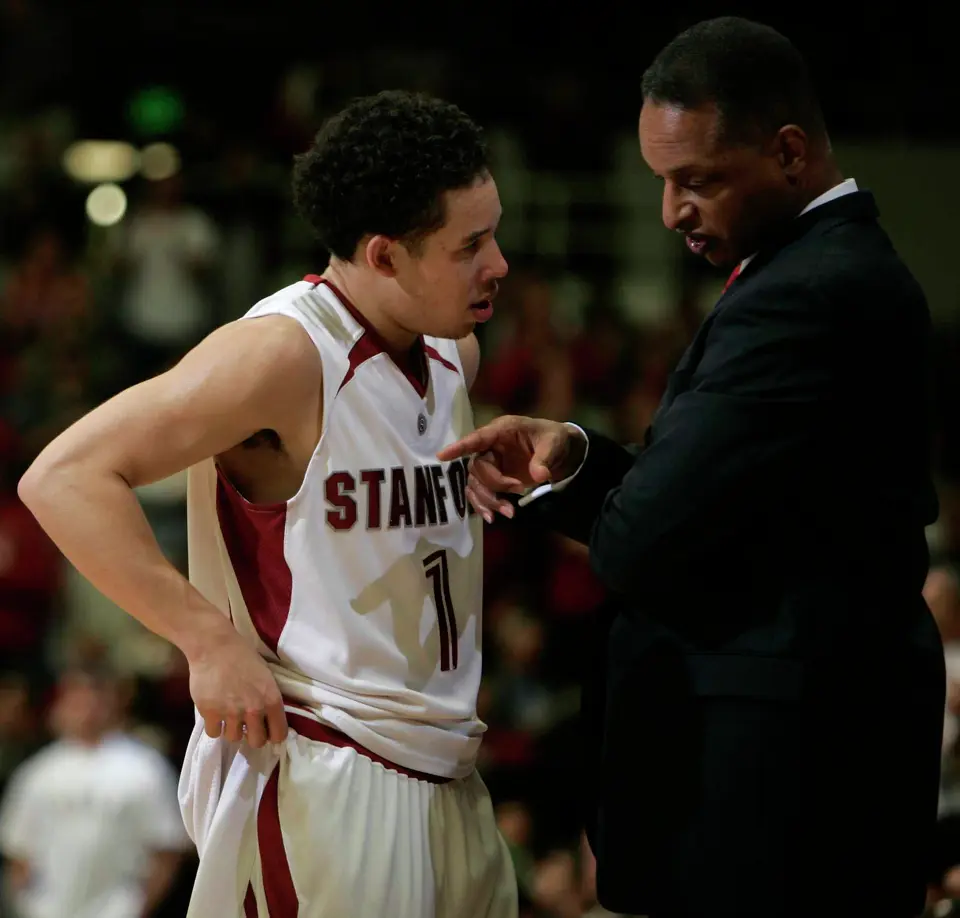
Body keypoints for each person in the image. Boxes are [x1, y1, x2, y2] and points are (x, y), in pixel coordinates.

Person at [439, 17, 944, 918]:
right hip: (808, 751)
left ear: (789, 152)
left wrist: (599, 500)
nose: (673, 211)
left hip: (779, 782)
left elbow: (644, 541)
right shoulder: (817, 272)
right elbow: (741, 507)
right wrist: (583, 458)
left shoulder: (806, 295)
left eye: (696, 180)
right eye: (663, 183)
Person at [18, 90, 516, 918]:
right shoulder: (281, 354)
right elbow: (63, 477)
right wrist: (205, 640)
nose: (498, 262)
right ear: (386, 256)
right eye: (472, 245)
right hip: (331, 768)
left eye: (494, 231)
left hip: (450, 767)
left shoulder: (451, 346)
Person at [0, 664, 190, 918]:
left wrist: (137, 907)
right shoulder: (37, 772)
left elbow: (167, 848)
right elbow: (19, 850)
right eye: (76, 701)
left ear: (112, 703)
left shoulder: (146, 768)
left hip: (116, 910)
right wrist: (28, 905)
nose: (86, 710)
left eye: (94, 700)